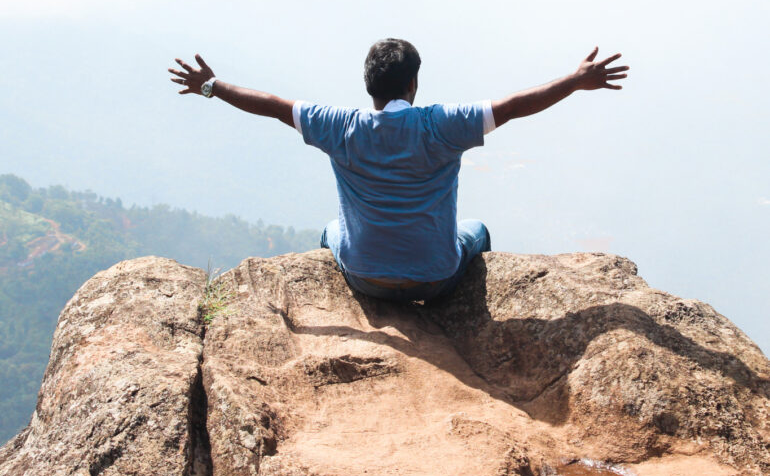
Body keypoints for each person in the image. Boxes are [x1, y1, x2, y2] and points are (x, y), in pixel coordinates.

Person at [168, 39, 629, 303]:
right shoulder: (442, 125)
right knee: (479, 231)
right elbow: (513, 107)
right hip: (437, 277)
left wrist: (211, 85)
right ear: (413, 83)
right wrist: (575, 79)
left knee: (331, 231)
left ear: (368, 85)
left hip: (365, 277)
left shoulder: (340, 127)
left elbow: (272, 107)